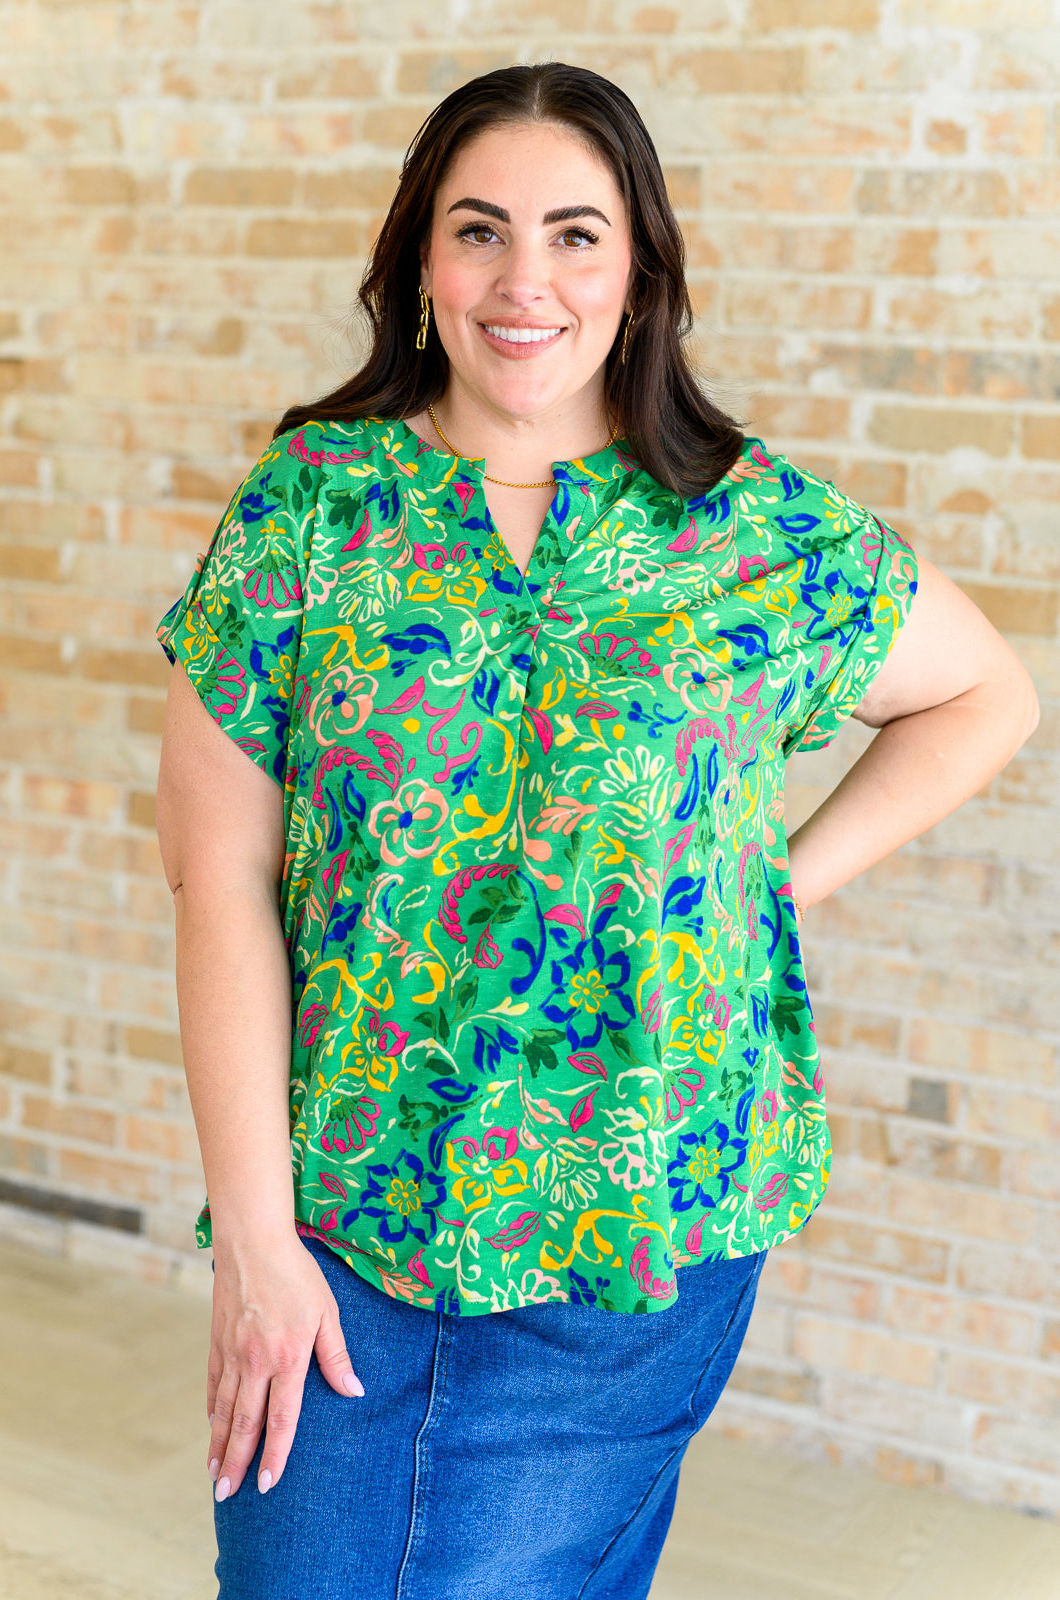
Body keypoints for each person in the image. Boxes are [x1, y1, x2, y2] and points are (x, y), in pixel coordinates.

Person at [155, 62, 1039, 1600]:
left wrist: (767, 887)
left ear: (638, 276)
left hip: (652, 1242)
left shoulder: (749, 527)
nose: (525, 280)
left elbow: (984, 696)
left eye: (575, 235)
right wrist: (253, 1240)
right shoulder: (313, 508)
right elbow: (215, 877)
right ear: (420, 264)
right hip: (356, 1230)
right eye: (478, 231)